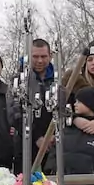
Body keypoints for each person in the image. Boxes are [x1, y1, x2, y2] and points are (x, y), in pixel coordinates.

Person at [22, 37, 59, 168]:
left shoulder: (58, 80)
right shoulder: (20, 81)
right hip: (27, 144)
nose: (39, 60)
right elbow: (15, 113)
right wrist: (37, 137)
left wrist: (53, 135)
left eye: (43, 56)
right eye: (35, 56)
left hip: (54, 144)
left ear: (50, 56)